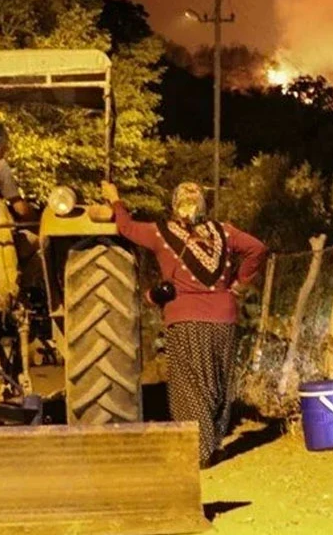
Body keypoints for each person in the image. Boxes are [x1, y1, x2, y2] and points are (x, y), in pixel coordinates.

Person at [101, 179, 267, 467]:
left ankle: (199, 452)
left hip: (185, 318)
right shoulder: (224, 232)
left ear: (174, 203)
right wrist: (239, 284)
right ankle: (213, 445)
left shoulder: (160, 232)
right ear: (203, 205)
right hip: (224, 318)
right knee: (217, 384)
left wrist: (115, 199)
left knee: (190, 387)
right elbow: (258, 248)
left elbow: (125, 227)